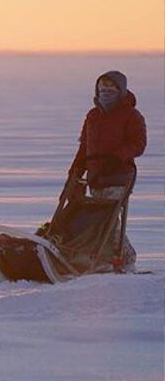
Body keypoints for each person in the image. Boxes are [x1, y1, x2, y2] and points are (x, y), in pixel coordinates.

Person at [70, 70, 147, 272]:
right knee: (98, 220)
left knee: (108, 218)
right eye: (102, 88)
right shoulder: (93, 116)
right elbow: (84, 147)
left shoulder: (131, 115)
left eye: (111, 89)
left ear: (120, 90)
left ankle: (124, 258)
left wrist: (118, 156)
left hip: (119, 175)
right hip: (96, 177)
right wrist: (75, 172)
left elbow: (139, 144)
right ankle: (107, 256)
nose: (106, 92)